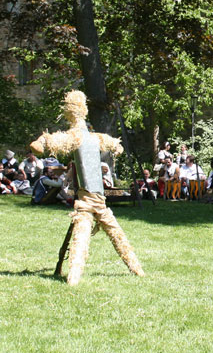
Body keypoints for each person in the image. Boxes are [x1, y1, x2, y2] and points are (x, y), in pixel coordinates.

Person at [30, 90, 143, 288]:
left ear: (68, 111)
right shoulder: (94, 137)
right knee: (115, 234)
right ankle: (136, 269)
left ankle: (74, 278)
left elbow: (45, 143)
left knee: (83, 237)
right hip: (96, 198)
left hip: (92, 200)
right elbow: (116, 146)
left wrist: (41, 141)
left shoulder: (78, 137)